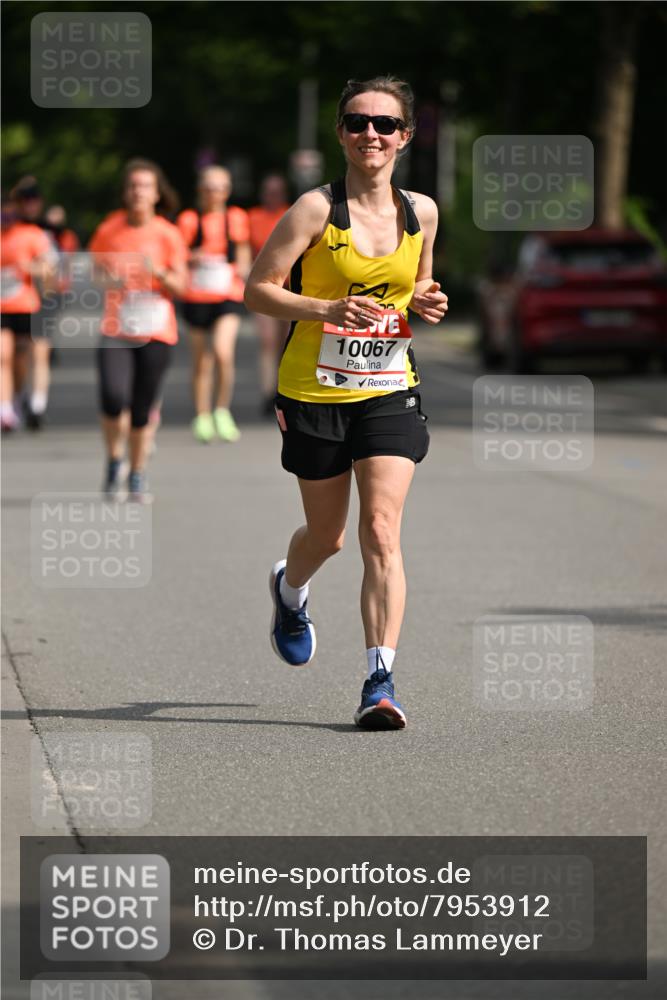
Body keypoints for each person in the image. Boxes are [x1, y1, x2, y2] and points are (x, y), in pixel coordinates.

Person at [245, 76, 448, 729]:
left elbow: (417, 284)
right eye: (358, 122)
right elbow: (258, 290)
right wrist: (326, 307)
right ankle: (289, 589)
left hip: (389, 386)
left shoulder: (421, 212)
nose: (371, 134)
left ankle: (379, 680)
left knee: (381, 531)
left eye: (385, 124)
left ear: (405, 137)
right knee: (327, 538)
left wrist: (426, 299)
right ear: (340, 132)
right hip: (314, 389)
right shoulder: (312, 210)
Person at [89, 159, 187, 502]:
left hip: (155, 330)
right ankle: (115, 459)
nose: (137, 192)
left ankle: (137, 472)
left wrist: (158, 272)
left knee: (142, 408)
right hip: (116, 327)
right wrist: (110, 279)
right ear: (125, 191)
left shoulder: (167, 234)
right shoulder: (109, 229)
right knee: (114, 398)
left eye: (145, 186)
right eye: (132, 185)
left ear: (157, 193)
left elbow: (181, 285)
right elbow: (95, 272)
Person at [177, 166, 251, 443]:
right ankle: (202, 414)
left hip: (227, 293)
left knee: (222, 351)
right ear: (200, 191)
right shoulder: (188, 219)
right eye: (209, 187)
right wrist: (191, 257)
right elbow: (178, 253)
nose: (214, 193)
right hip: (196, 295)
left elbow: (242, 249)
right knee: (201, 361)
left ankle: (222, 409)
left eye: (220, 187)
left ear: (227, 190)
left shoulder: (236, 218)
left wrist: (243, 268)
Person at [0, 194, 55, 431]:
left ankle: (29, 401)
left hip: (28, 305)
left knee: (25, 358)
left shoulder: (31, 234)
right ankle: (5, 411)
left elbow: (48, 268)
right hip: (2, 308)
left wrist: (30, 268)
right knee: (2, 355)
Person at [248, 174, 291, 416]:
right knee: (267, 341)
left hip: (289, 286)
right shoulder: (252, 217)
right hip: (265, 285)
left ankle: (283, 390)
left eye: (277, 191)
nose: (272, 196)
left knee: (286, 341)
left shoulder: (292, 213)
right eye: (268, 191)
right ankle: (267, 392)